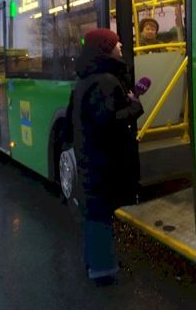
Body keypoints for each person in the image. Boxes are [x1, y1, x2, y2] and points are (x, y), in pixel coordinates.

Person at [70, 29, 143, 285]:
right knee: (100, 214)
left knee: (94, 212)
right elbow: (109, 121)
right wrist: (135, 106)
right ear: (105, 48)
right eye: (115, 43)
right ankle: (102, 270)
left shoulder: (86, 79)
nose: (120, 45)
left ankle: (93, 261)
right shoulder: (105, 80)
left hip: (91, 157)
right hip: (103, 161)